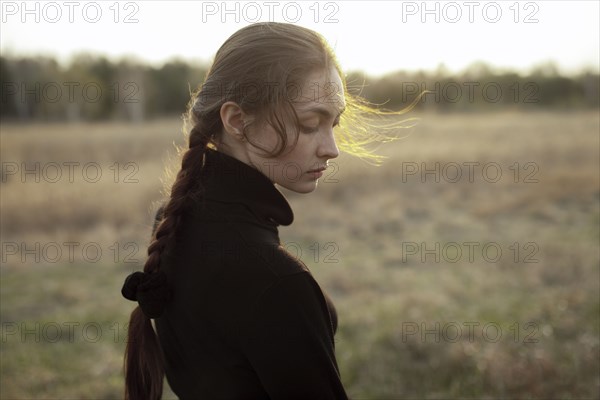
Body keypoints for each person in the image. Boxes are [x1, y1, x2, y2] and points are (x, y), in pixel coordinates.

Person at [121, 22, 418, 400]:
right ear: (238, 121)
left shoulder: (172, 220)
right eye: (310, 124)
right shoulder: (276, 281)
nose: (332, 148)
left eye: (335, 123)